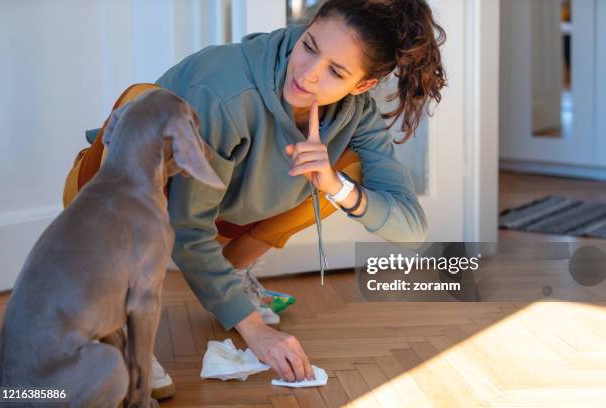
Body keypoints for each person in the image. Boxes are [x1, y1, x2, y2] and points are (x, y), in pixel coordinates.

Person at [64, 0, 446, 396]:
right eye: (310, 45)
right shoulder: (225, 90)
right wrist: (256, 332)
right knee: (146, 102)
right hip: (107, 196)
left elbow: (411, 229)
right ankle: (120, 322)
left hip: (220, 208)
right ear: (308, 25)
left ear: (363, 85)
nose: (308, 74)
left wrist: (334, 186)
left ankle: (234, 274)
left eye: (336, 71)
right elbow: (187, 227)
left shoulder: (357, 112)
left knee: (347, 169)